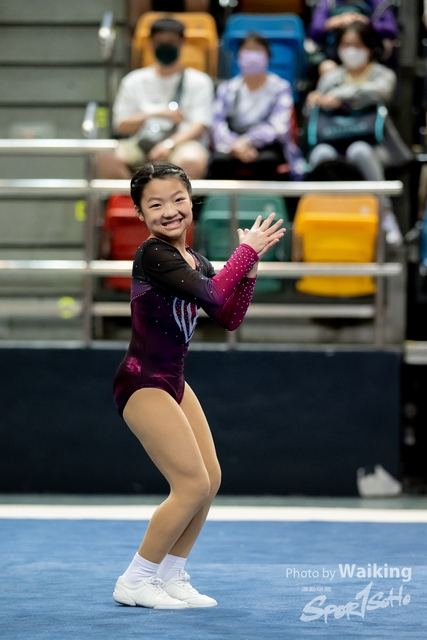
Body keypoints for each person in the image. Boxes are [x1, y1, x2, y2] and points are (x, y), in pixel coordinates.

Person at [111, 161, 284, 609]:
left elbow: (227, 317)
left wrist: (249, 270)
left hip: (173, 380)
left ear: (192, 201)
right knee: (189, 484)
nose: (169, 210)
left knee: (209, 479)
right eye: (155, 205)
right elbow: (213, 294)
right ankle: (136, 579)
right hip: (143, 381)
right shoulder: (153, 255)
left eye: (178, 199)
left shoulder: (195, 260)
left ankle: (171, 574)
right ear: (140, 213)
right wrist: (244, 253)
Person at [306, 21, 403, 245]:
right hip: (334, 140)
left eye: (357, 45)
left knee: (359, 150)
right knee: (320, 154)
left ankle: (386, 216)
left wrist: (341, 96)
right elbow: (316, 109)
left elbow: (381, 92)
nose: (351, 50)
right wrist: (314, 100)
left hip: (374, 144)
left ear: (369, 47)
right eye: (346, 45)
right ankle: (314, 217)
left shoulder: (383, 74)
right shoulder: (330, 77)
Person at [97, 18, 214, 180]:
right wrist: (154, 114)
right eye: (160, 42)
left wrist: (168, 144)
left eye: (170, 42)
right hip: (141, 143)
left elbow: (199, 125)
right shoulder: (133, 80)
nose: (165, 47)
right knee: (106, 157)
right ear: (151, 43)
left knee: (191, 159)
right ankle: (135, 195)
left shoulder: (199, 81)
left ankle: (173, 196)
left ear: (182, 43)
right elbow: (121, 125)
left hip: (181, 144)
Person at [210, 33, 305, 181]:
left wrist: (247, 141)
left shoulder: (280, 88)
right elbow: (217, 123)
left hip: (267, 146)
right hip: (232, 145)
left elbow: (279, 126)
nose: (252, 56)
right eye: (247, 50)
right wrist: (234, 145)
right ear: (238, 56)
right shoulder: (227, 89)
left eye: (258, 50)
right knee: (219, 161)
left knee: (267, 161)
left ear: (268, 56)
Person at [308, 0, 398, 74]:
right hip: (335, 58)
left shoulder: (378, 3)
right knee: (327, 67)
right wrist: (335, 21)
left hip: (370, 60)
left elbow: (392, 31)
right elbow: (313, 32)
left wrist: (368, 23)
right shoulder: (329, 2)